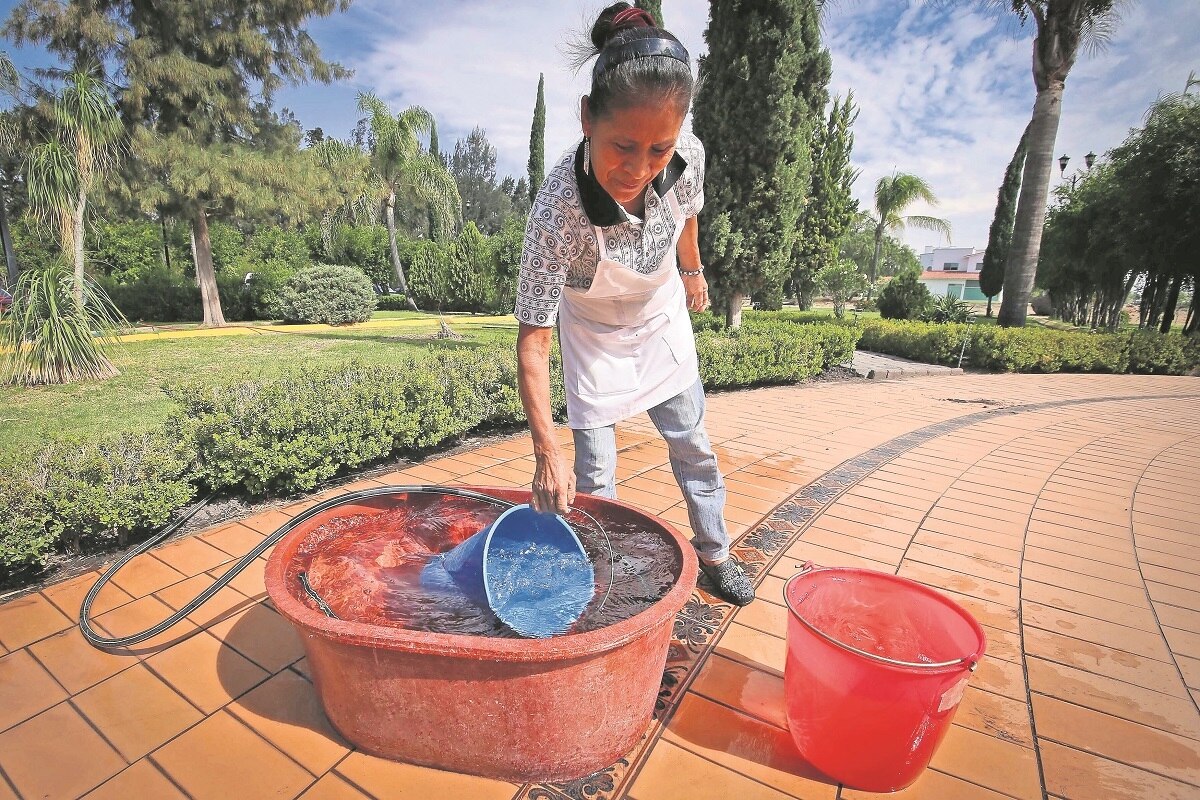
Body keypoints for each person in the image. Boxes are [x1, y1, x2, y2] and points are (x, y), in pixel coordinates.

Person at [515, 2, 754, 607]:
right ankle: (602, 584)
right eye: (624, 145)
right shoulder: (557, 210)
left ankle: (716, 556)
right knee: (593, 480)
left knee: (694, 447)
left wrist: (693, 272)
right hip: (592, 335)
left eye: (658, 151)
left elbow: (690, 214)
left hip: (660, 318)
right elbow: (534, 341)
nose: (640, 169)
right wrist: (548, 452)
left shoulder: (688, 156)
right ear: (588, 119)